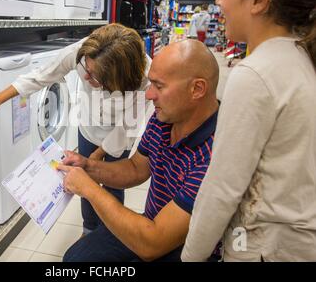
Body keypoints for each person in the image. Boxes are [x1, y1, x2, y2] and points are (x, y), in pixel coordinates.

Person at [181, 0, 316, 262]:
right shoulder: (299, 57)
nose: (218, 0)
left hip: (260, 248)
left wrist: (190, 256)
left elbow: (222, 190)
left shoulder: (255, 74)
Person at [0, 23, 152, 236]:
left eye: (95, 77)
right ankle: (88, 232)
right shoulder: (81, 52)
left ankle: (108, 237)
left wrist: (93, 159)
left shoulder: (144, 77)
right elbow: (42, 75)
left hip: (120, 133)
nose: (86, 78)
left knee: (114, 184)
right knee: (88, 183)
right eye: (86, 69)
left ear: (118, 78)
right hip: (89, 125)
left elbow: (126, 127)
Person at [57, 39, 220, 262]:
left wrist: (90, 189)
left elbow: (153, 244)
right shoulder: (165, 119)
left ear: (197, 89)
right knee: (76, 258)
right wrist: (87, 166)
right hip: (153, 223)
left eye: (159, 86)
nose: (149, 95)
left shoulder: (215, 155)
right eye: (150, 84)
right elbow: (136, 169)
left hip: (187, 249)